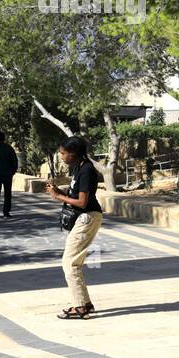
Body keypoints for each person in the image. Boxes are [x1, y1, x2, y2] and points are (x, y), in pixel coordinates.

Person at [46, 136, 103, 320]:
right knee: (73, 262)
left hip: (87, 218)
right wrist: (61, 193)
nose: (61, 156)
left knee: (70, 263)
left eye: (63, 153)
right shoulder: (79, 167)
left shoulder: (86, 170)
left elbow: (82, 201)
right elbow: (76, 195)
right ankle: (84, 303)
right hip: (83, 217)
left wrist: (57, 197)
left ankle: (80, 307)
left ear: (73, 153)